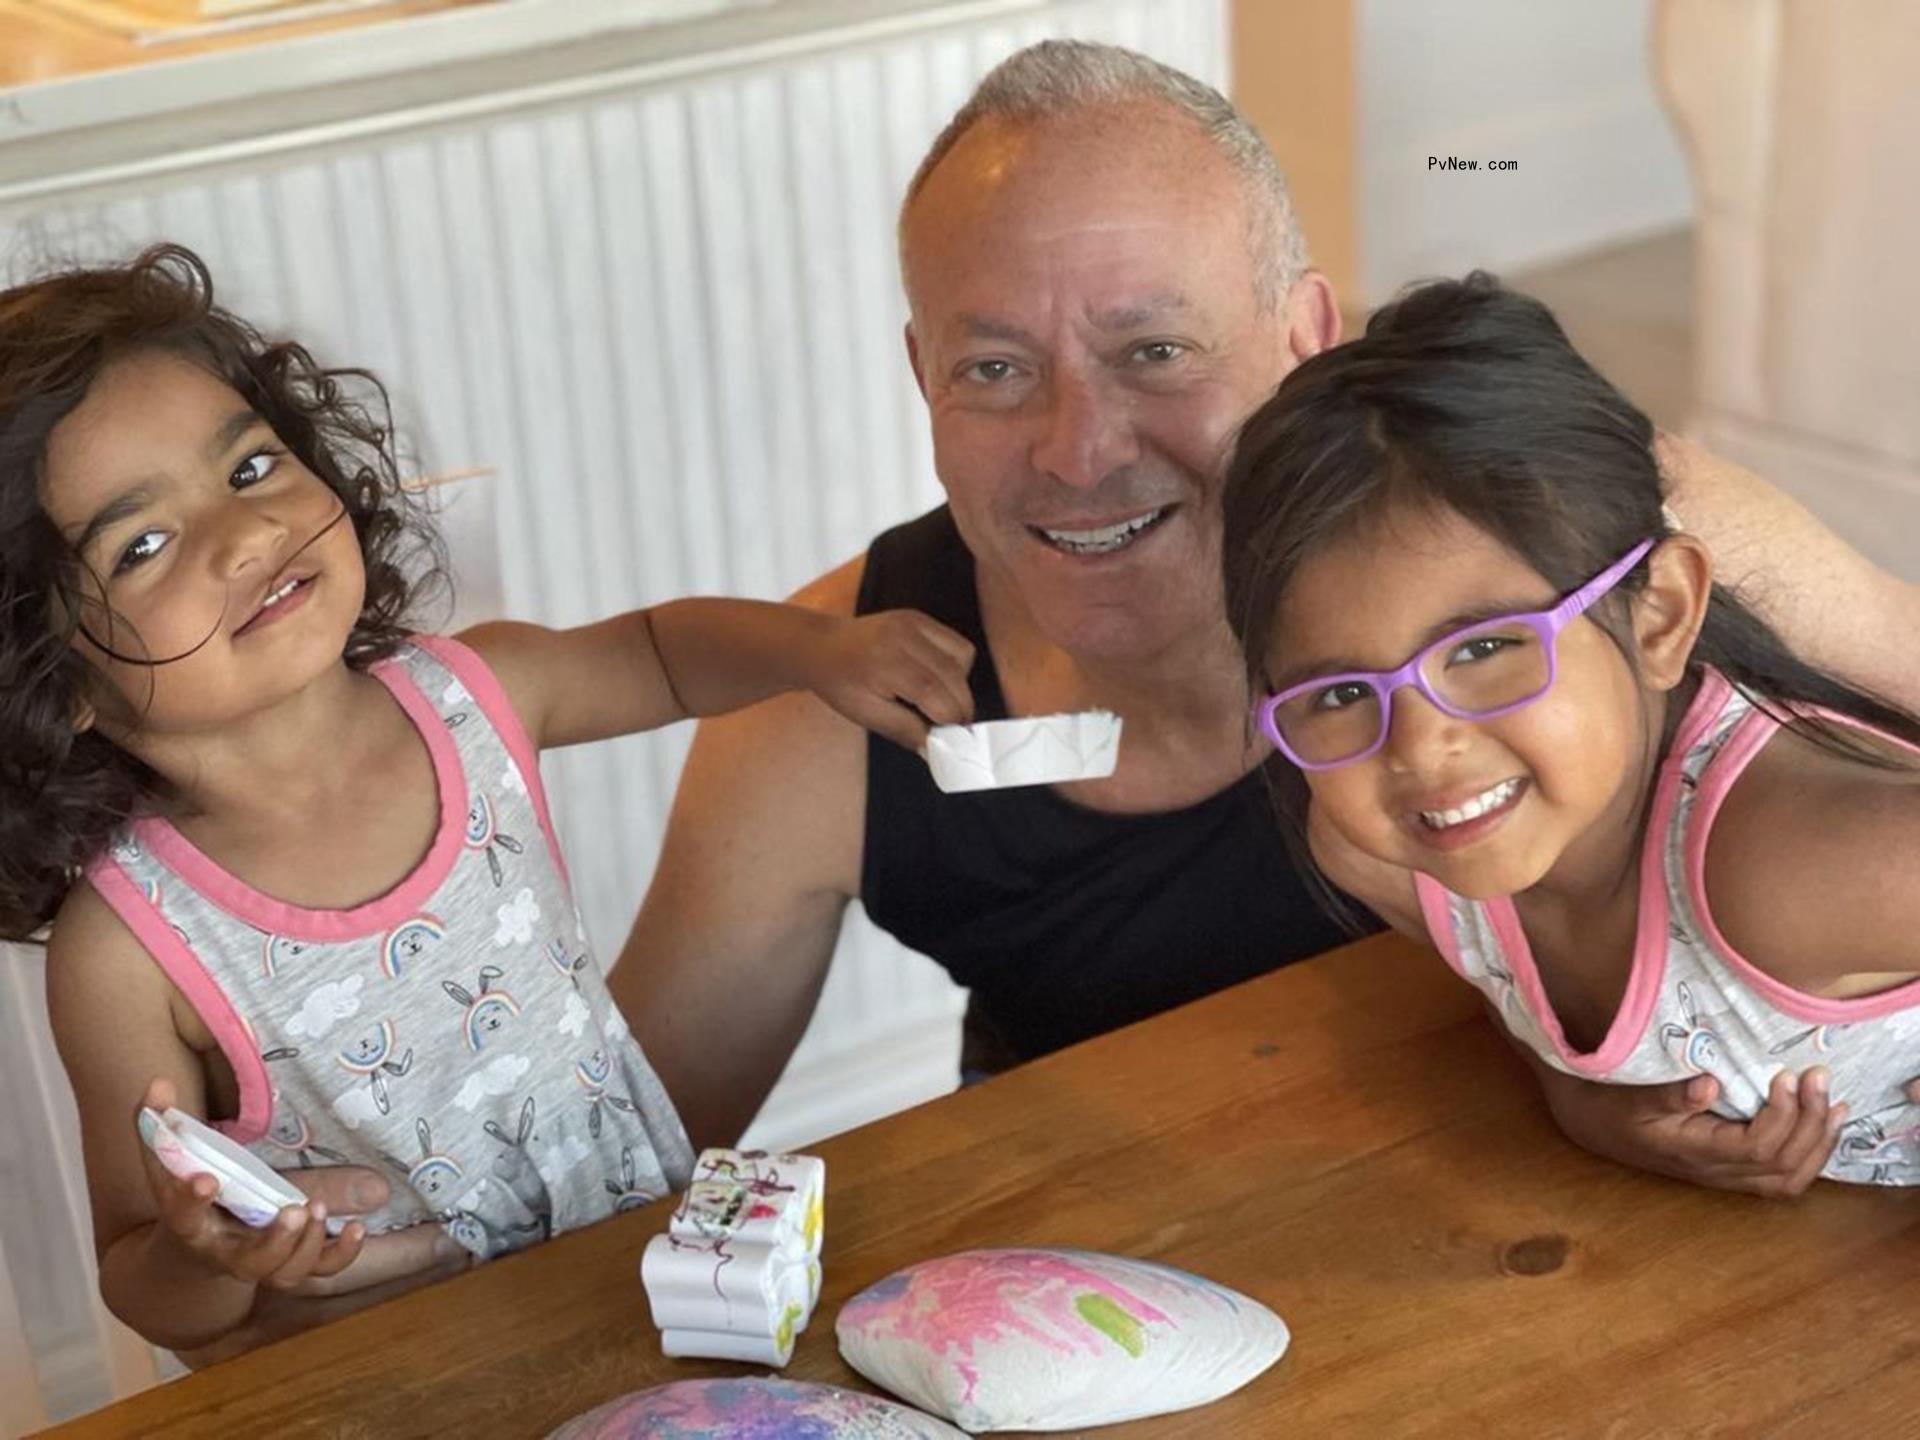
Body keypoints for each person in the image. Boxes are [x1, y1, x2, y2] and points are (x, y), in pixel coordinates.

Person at [612, 39, 1920, 1195]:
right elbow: (605, 1166)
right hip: (1105, 1248)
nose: (1077, 450)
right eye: (995, 368)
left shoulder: (1595, 539)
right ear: (922, 382)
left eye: (1155, 351)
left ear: (1302, 332)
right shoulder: (830, 685)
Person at [0, 245, 974, 1357]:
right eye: (145, 544)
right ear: (49, 673)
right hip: (394, 1375)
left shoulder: (477, 693)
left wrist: (815, 651)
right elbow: (139, 1273)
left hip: (629, 1293)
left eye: (253, 466)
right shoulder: (125, 949)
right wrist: (206, 1257)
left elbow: (657, 654)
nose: (246, 533)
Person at [1221, 273, 1920, 1186]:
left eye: (1484, 650)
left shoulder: (1801, 868)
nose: (1421, 749)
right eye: (1341, 695)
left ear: (1661, 615)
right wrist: (1581, 1099)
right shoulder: (1390, 860)